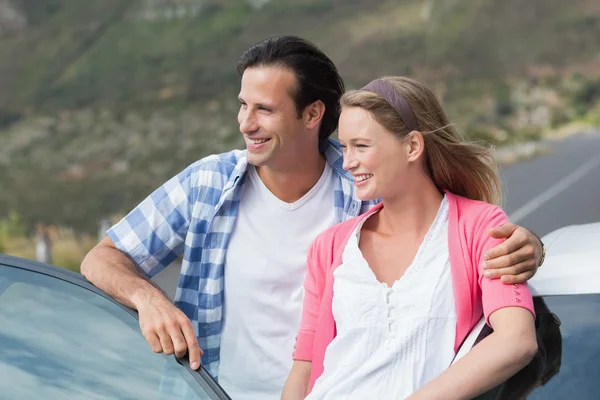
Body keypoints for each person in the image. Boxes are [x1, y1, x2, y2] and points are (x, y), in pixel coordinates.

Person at [81, 36, 544, 400]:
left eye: (264, 109)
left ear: (312, 114)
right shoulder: (208, 184)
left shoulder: (363, 185)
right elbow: (102, 258)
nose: (245, 122)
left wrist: (529, 244)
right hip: (216, 392)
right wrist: (150, 299)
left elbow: (444, 216)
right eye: (243, 105)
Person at [281, 76, 539, 400]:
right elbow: (303, 367)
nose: (347, 162)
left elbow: (516, 340)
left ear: (413, 146)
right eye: (345, 147)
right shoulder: (330, 246)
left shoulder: (480, 228)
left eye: (361, 145)